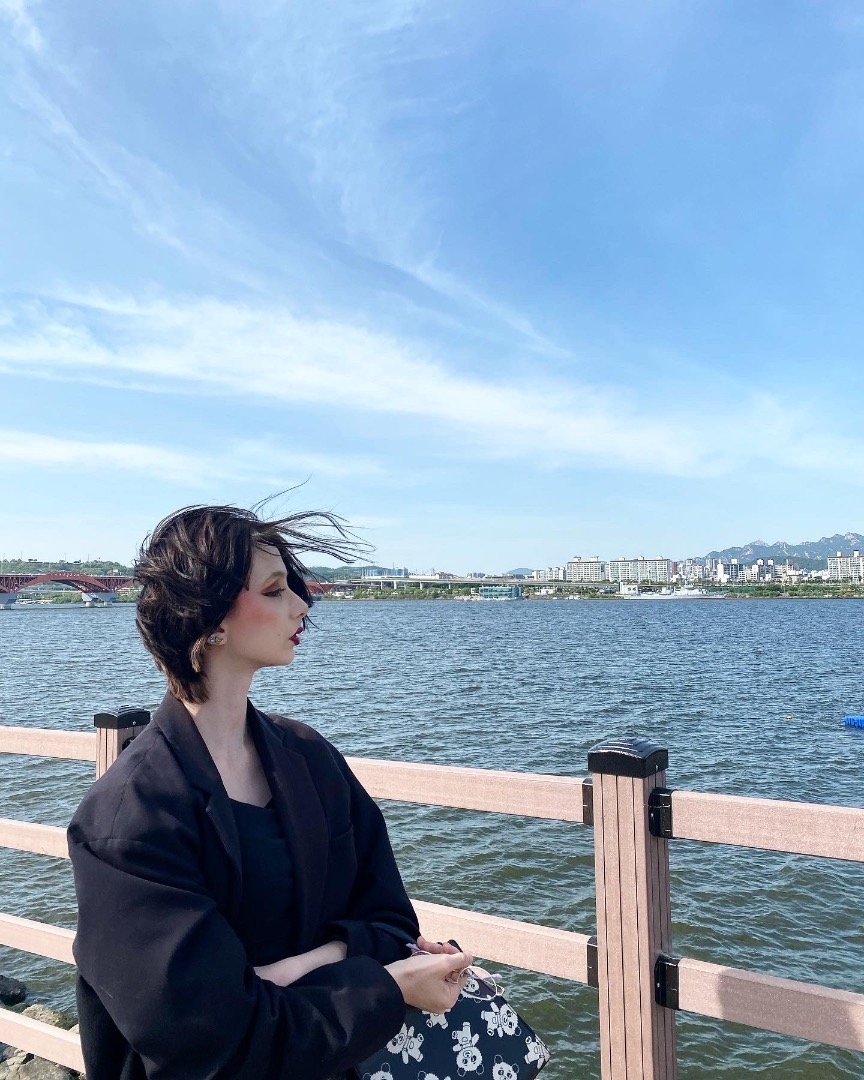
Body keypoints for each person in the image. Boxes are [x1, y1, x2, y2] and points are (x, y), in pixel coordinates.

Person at [68, 503, 472, 1080]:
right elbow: (211, 1041)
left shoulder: (309, 757)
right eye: (275, 590)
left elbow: (390, 920)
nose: (301, 605)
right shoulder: (128, 818)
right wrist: (384, 986)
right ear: (209, 617)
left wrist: (297, 968)